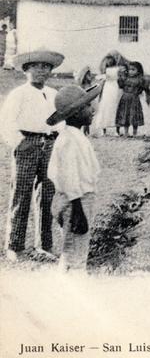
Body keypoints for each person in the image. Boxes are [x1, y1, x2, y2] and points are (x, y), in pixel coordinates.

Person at [0, 49, 65, 262]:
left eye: (45, 67)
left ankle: (44, 245)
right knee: (21, 193)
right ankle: (14, 245)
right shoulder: (19, 94)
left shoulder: (54, 94)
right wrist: (20, 142)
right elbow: (7, 122)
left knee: (47, 194)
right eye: (35, 67)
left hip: (49, 145)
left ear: (51, 71)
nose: (40, 71)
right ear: (26, 70)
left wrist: (58, 139)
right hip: (27, 144)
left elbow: (60, 120)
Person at [45, 83, 103, 272]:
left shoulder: (75, 135)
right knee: (73, 251)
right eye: (87, 106)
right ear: (76, 113)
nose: (92, 110)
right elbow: (69, 177)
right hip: (74, 201)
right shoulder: (69, 140)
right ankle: (70, 286)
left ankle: (71, 280)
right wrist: (77, 209)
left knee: (77, 247)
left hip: (80, 199)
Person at [92, 52, 126, 136]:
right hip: (110, 88)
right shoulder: (111, 70)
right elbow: (103, 79)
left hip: (113, 88)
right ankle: (109, 130)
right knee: (109, 107)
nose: (109, 62)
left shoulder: (114, 70)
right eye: (108, 61)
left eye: (110, 61)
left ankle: (113, 130)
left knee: (112, 107)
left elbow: (102, 77)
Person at [116, 61, 150, 137]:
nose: (130, 71)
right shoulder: (125, 78)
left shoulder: (140, 79)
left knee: (134, 115)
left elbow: (144, 88)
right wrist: (120, 77)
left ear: (138, 70)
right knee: (125, 114)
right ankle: (126, 132)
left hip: (134, 99)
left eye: (133, 69)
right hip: (125, 98)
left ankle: (135, 132)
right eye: (129, 70)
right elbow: (120, 85)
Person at [74, 66, 95, 135]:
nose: (90, 76)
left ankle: (87, 131)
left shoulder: (89, 84)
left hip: (89, 101)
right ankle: (84, 131)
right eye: (88, 75)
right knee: (83, 116)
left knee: (88, 116)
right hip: (84, 102)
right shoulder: (82, 85)